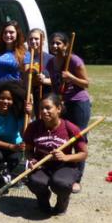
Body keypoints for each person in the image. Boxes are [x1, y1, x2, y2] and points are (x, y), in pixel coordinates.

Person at [40, 32, 91, 193]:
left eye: (58, 43)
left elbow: (86, 83)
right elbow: (54, 83)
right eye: (53, 44)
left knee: (78, 137)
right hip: (61, 103)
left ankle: (77, 178)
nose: (55, 46)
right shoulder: (51, 62)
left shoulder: (74, 61)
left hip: (78, 103)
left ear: (66, 45)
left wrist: (71, 77)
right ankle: (63, 171)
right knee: (64, 137)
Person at [24, 94, 87, 215]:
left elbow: (83, 154)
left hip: (65, 166)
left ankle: (62, 202)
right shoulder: (33, 127)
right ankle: (43, 199)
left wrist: (66, 157)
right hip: (42, 166)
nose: (44, 111)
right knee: (35, 182)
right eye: (41, 108)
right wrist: (31, 159)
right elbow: (28, 150)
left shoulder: (71, 128)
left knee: (61, 184)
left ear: (58, 109)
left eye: (48, 108)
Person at [0, 20, 30, 108]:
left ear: (17, 34)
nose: (8, 35)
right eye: (5, 32)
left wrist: (28, 97)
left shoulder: (24, 53)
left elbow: (27, 79)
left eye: (11, 32)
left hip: (14, 95)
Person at [27, 28, 53, 108]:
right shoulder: (25, 58)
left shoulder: (51, 59)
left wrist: (44, 80)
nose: (33, 41)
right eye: (31, 39)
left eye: (36, 39)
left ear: (43, 40)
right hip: (29, 97)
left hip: (46, 97)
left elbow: (58, 81)